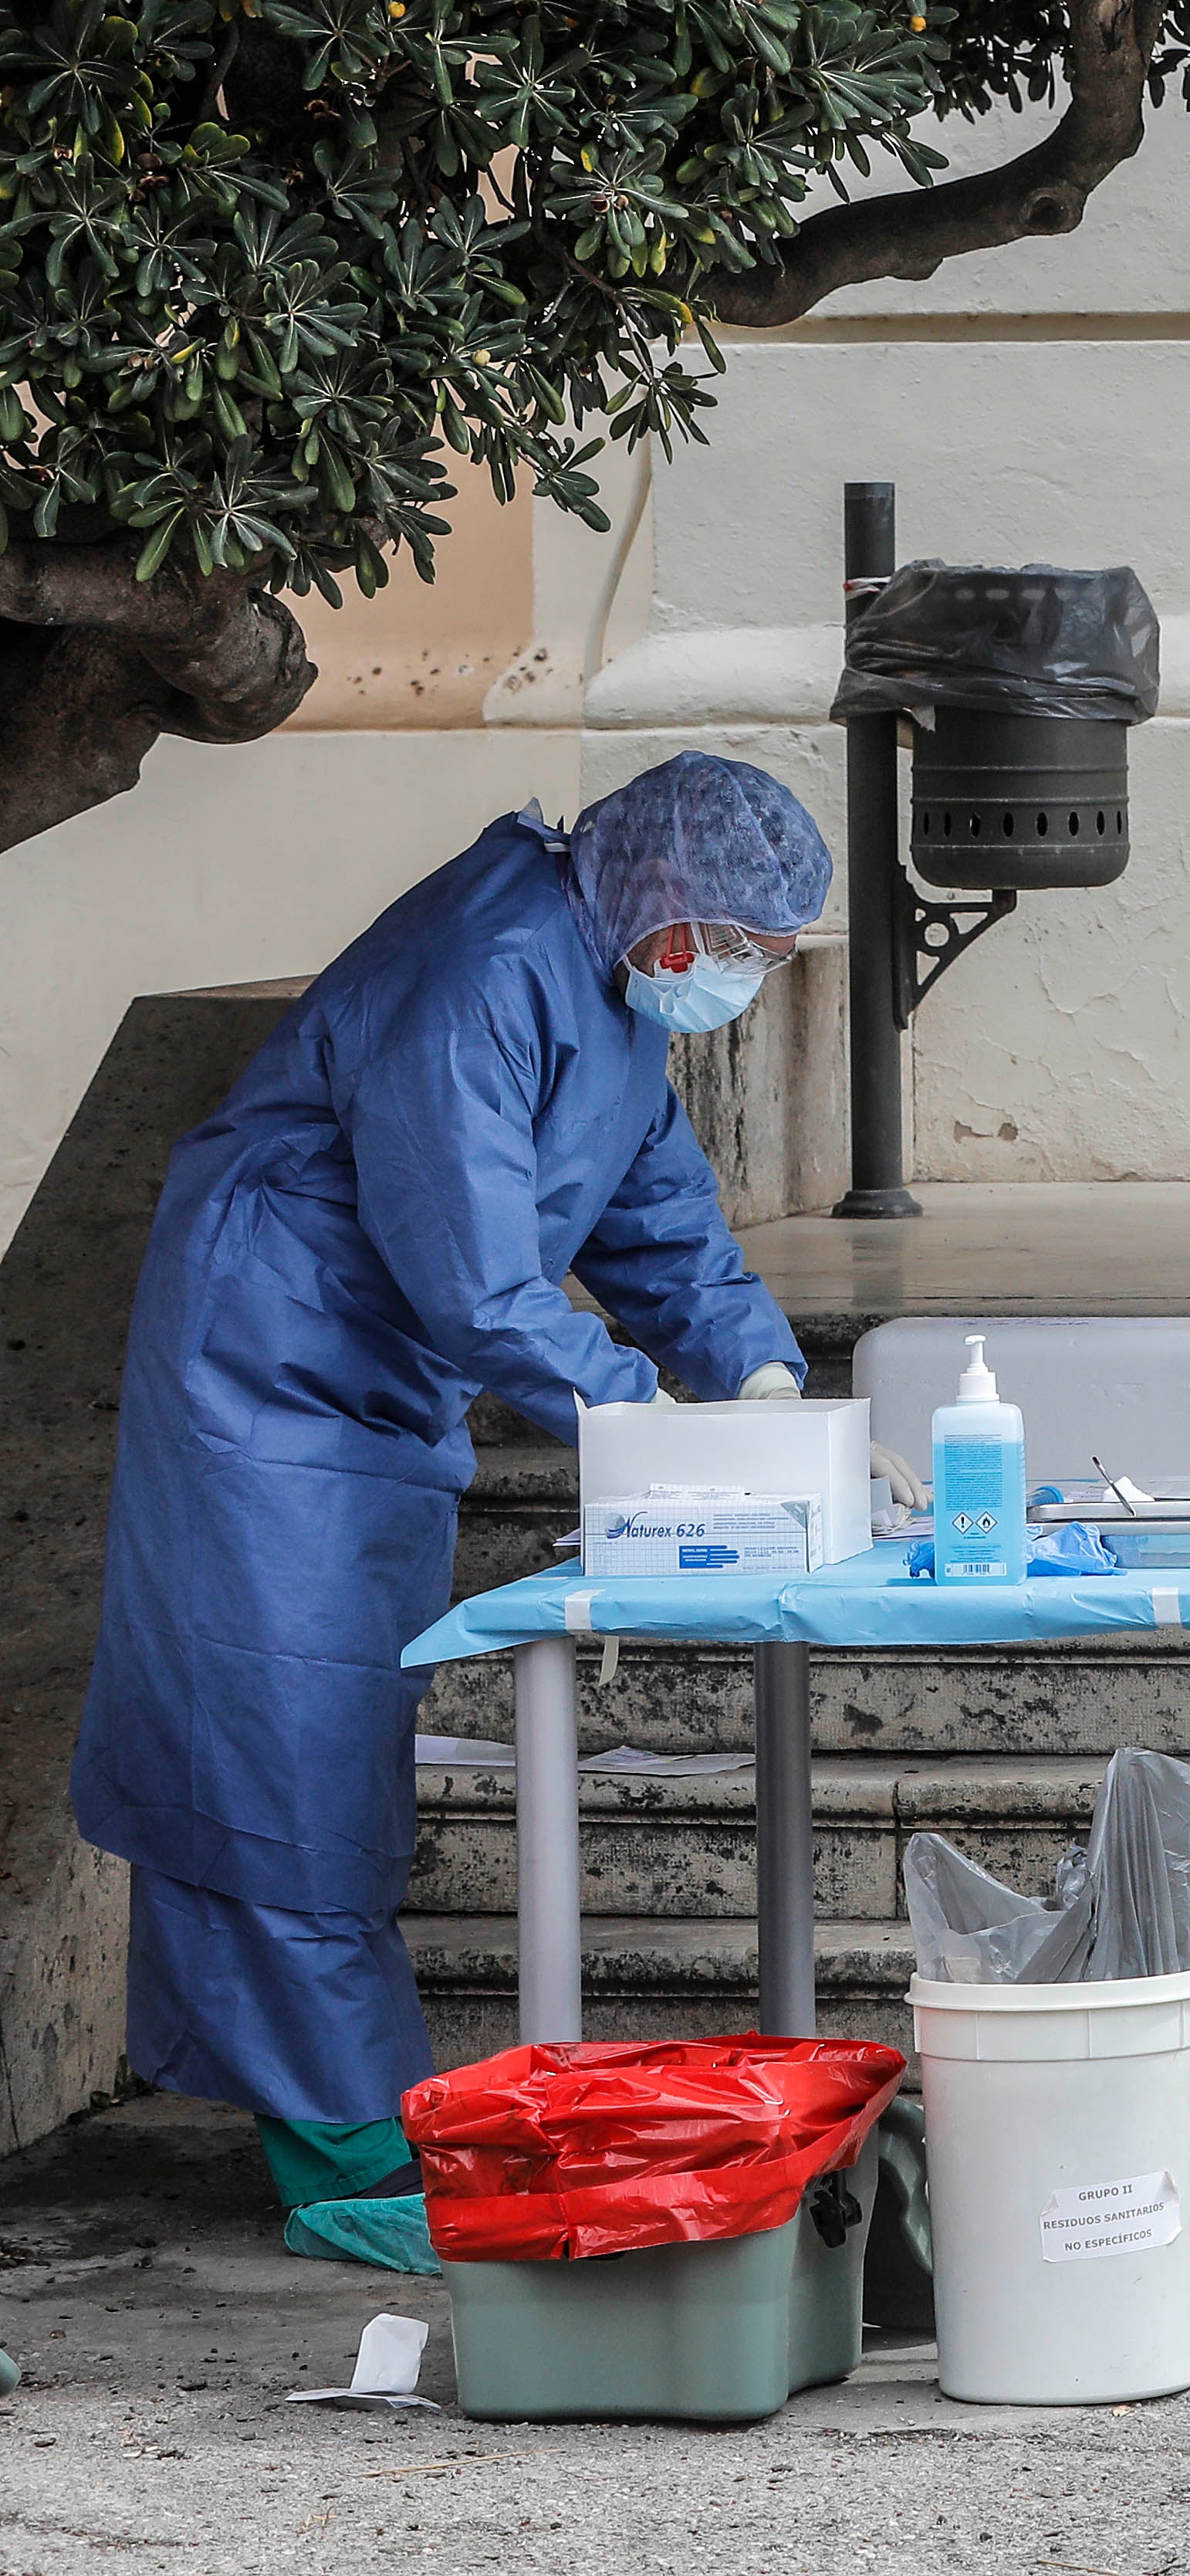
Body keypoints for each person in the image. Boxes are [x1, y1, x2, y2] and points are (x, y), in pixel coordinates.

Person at [71, 753, 833, 2242]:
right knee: (276, 1767)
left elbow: (653, 1211)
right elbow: (476, 1274)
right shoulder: (482, 968)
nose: (734, 976)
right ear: (666, 905)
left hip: (367, 1395)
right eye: (735, 945)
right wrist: (642, 1416)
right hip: (265, 1380)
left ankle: (337, 2122)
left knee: (325, 1759)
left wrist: (766, 1386)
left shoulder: (610, 982)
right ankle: (350, 2164)